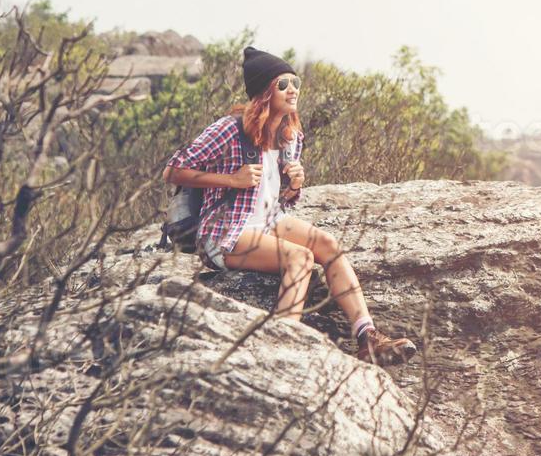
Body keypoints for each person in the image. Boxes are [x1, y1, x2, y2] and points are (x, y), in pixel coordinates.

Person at [163, 46, 415, 365]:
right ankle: (283, 345)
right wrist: (231, 180)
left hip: (269, 221)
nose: (292, 89)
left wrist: (294, 184)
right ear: (264, 92)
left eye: (295, 82)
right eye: (283, 84)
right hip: (225, 234)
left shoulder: (290, 134)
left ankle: (367, 337)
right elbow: (172, 170)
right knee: (300, 257)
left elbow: (282, 198)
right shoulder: (229, 129)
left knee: (328, 245)